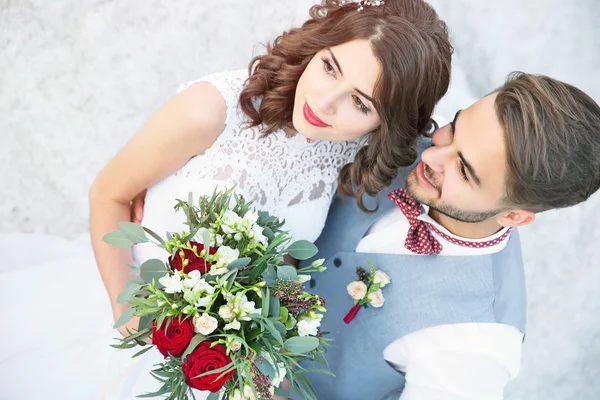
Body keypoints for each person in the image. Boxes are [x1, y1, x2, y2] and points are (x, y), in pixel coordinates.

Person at [0, 1, 452, 399]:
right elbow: (109, 194)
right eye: (331, 66)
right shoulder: (213, 110)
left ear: (384, 124)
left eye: (360, 102)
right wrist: (126, 313)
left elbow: (281, 259)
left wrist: (276, 338)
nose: (324, 102)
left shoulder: (342, 149)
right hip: (121, 311)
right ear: (320, 43)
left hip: (217, 365)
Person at [299, 72, 600, 399]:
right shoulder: (416, 137)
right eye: (454, 129)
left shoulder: (477, 345)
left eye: (463, 171)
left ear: (513, 216)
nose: (429, 156)